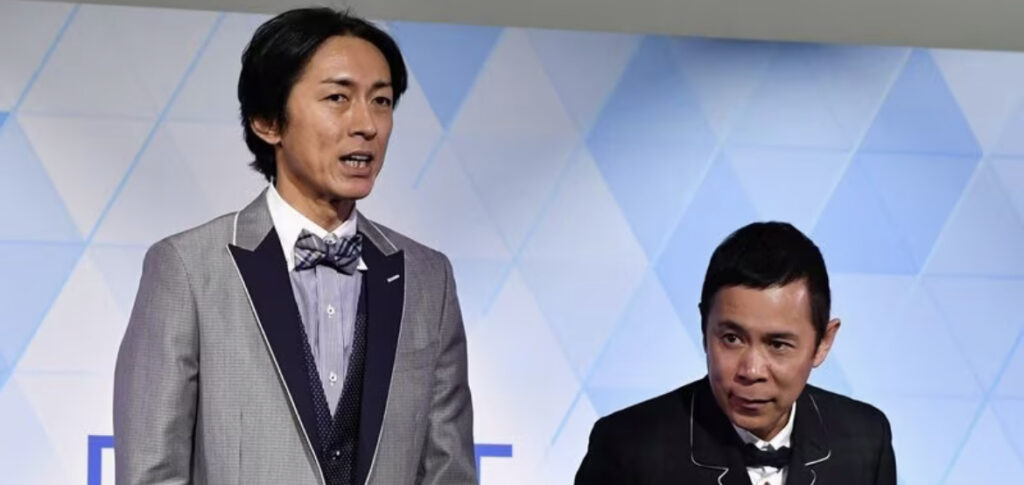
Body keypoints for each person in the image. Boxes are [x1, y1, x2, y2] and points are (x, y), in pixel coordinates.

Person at [113, 8, 475, 485]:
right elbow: (151, 472)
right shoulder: (188, 269)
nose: (367, 124)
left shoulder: (428, 278)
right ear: (268, 121)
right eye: (338, 97)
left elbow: (449, 470)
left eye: (381, 101)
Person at [575, 221, 895, 485]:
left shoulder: (866, 440)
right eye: (731, 339)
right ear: (704, 329)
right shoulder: (627, 448)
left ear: (823, 342)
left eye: (777, 345)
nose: (751, 371)